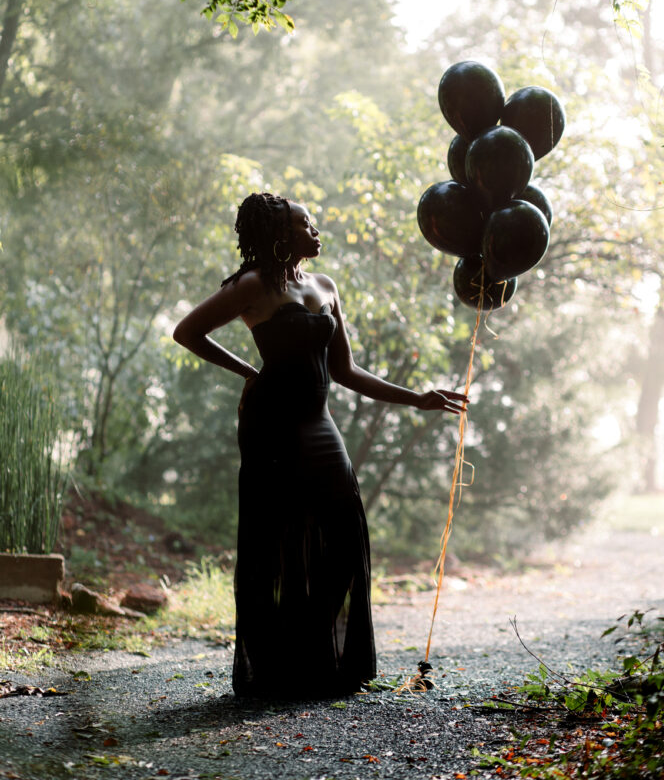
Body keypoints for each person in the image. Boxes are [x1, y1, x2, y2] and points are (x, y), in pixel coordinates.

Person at [173, 192, 468, 698]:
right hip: (271, 426)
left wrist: (417, 399)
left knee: (347, 537)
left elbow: (345, 371)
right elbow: (187, 332)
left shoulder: (326, 286)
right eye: (305, 224)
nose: (315, 230)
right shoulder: (251, 287)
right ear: (281, 235)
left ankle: (307, 649)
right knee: (277, 542)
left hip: (318, 424)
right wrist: (248, 372)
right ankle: (278, 670)